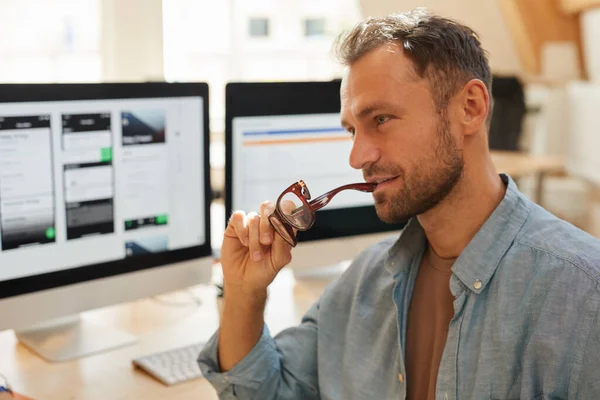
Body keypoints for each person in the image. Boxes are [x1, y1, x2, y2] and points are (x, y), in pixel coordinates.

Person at [198, 8, 600, 399]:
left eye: (381, 119)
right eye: (352, 129)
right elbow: (265, 391)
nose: (356, 158)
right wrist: (244, 294)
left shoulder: (583, 295)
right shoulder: (363, 282)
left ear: (470, 108)